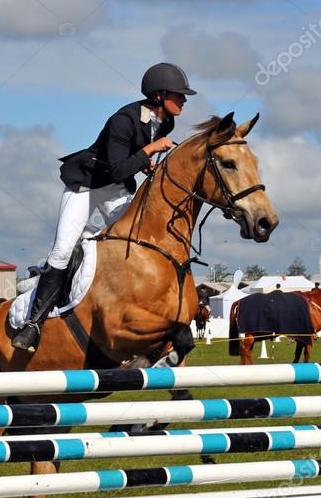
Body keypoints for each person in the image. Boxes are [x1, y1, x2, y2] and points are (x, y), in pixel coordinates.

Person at [12, 62, 196, 352]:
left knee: (139, 238)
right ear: (160, 96)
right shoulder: (123, 119)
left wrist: (145, 162)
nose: (184, 100)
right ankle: (33, 323)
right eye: (179, 95)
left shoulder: (166, 122)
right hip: (86, 187)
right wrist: (149, 151)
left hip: (115, 189)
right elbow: (117, 168)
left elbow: (126, 165)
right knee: (62, 249)